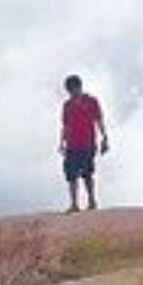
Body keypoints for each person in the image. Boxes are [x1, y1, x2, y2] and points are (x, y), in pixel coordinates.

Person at [58, 74, 109, 212]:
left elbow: (99, 121)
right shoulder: (67, 105)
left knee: (87, 173)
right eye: (70, 90)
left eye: (74, 89)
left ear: (79, 87)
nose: (72, 92)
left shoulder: (91, 101)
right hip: (71, 144)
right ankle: (74, 204)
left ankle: (92, 201)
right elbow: (65, 125)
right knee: (71, 175)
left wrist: (105, 138)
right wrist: (61, 142)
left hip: (88, 143)